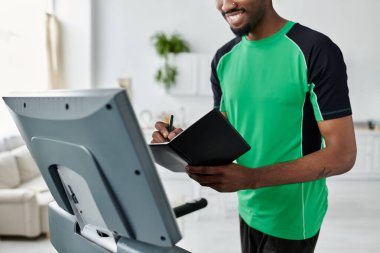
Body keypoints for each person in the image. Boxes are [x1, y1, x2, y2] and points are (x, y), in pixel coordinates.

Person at [151, 0, 357, 252]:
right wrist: (180, 145)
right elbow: (226, 132)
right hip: (249, 207)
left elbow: (343, 155)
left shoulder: (315, 49)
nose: (226, 5)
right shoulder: (222, 59)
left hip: (294, 218)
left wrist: (252, 178)